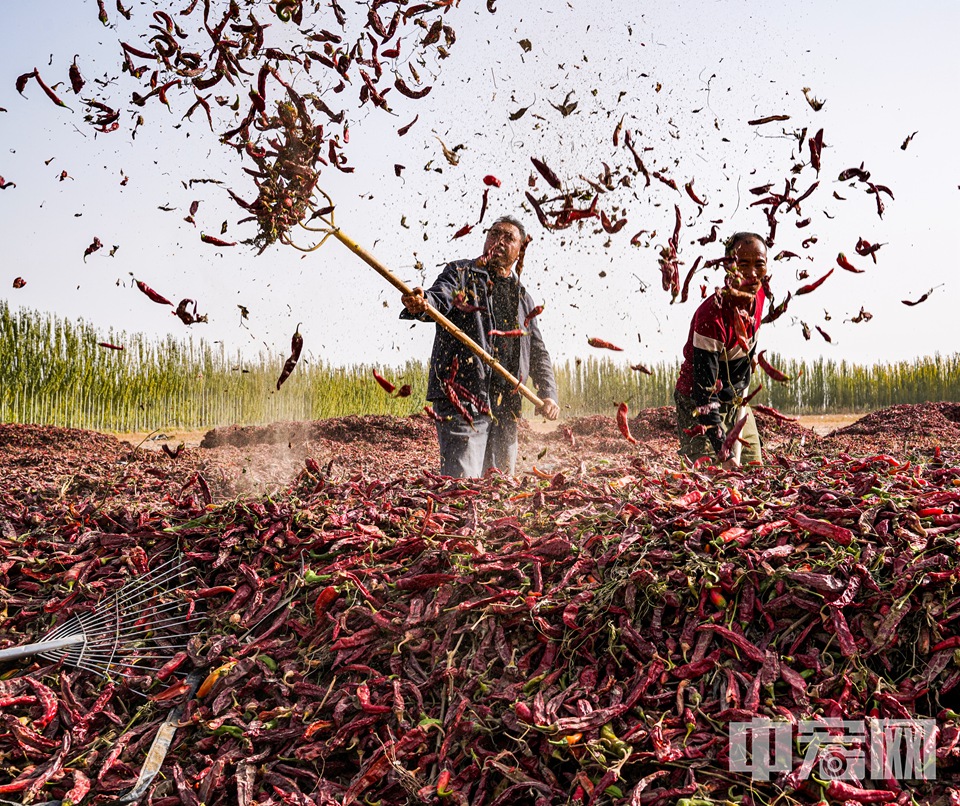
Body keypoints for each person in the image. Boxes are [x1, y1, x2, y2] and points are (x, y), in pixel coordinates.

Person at [400, 216, 560, 478]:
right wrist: (422, 303)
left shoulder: (522, 297)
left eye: (508, 237)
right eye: (494, 234)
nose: (499, 241)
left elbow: (537, 352)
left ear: (521, 249)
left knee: (498, 491)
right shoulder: (462, 275)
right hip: (463, 400)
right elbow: (439, 297)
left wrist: (548, 393)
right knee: (461, 484)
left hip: (505, 407)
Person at [674, 232, 768, 468]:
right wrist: (723, 453)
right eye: (743, 264)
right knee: (709, 477)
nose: (752, 273)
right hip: (698, 404)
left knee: (753, 468)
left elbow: (749, 332)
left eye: (760, 264)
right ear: (729, 266)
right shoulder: (712, 318)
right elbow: (704, 394)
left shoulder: (759, 293)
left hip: (735, 399)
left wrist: (748, 356)